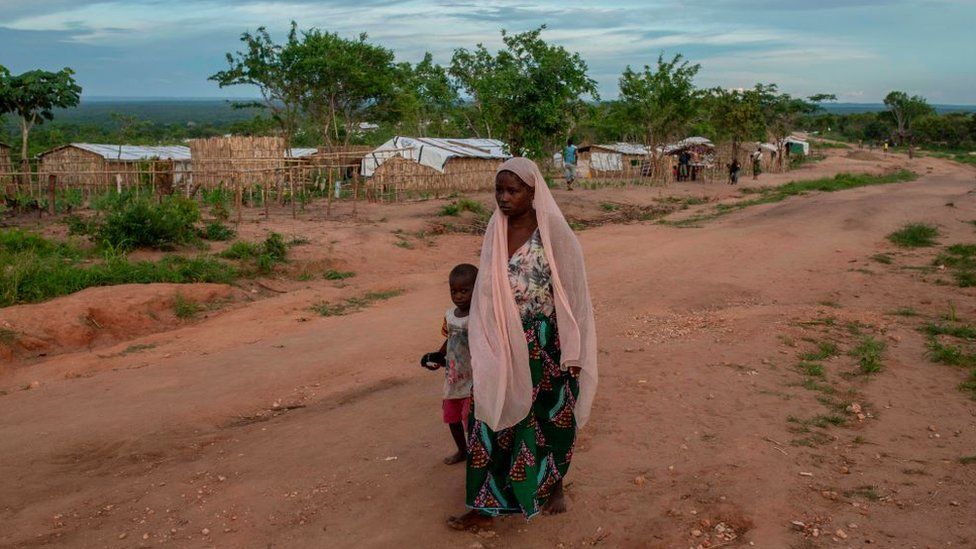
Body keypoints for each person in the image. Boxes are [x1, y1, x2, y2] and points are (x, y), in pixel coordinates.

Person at [447, 157, 597, 530]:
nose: (503, 198)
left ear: (533, 193)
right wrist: (480, 339)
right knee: (489, 415)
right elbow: (483, 292)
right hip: (501, 339)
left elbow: (575, 295)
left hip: (547, 341)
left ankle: (554, 485)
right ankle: (484, 504)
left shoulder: (555, 235)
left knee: (550, 418)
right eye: (499, 190)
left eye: (513, 190)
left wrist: (574, 350)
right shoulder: (494, 231)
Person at [421, 264, 478, 465]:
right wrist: (437, 356)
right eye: (454, 291)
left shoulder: (479, 317)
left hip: (474, 379)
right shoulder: (450, 316)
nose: (459, 296)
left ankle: (476, 453)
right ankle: (462, 450)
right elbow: (450, 340)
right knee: (452, 417)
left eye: (464, 291)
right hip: (454, 378)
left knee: (470, 420)